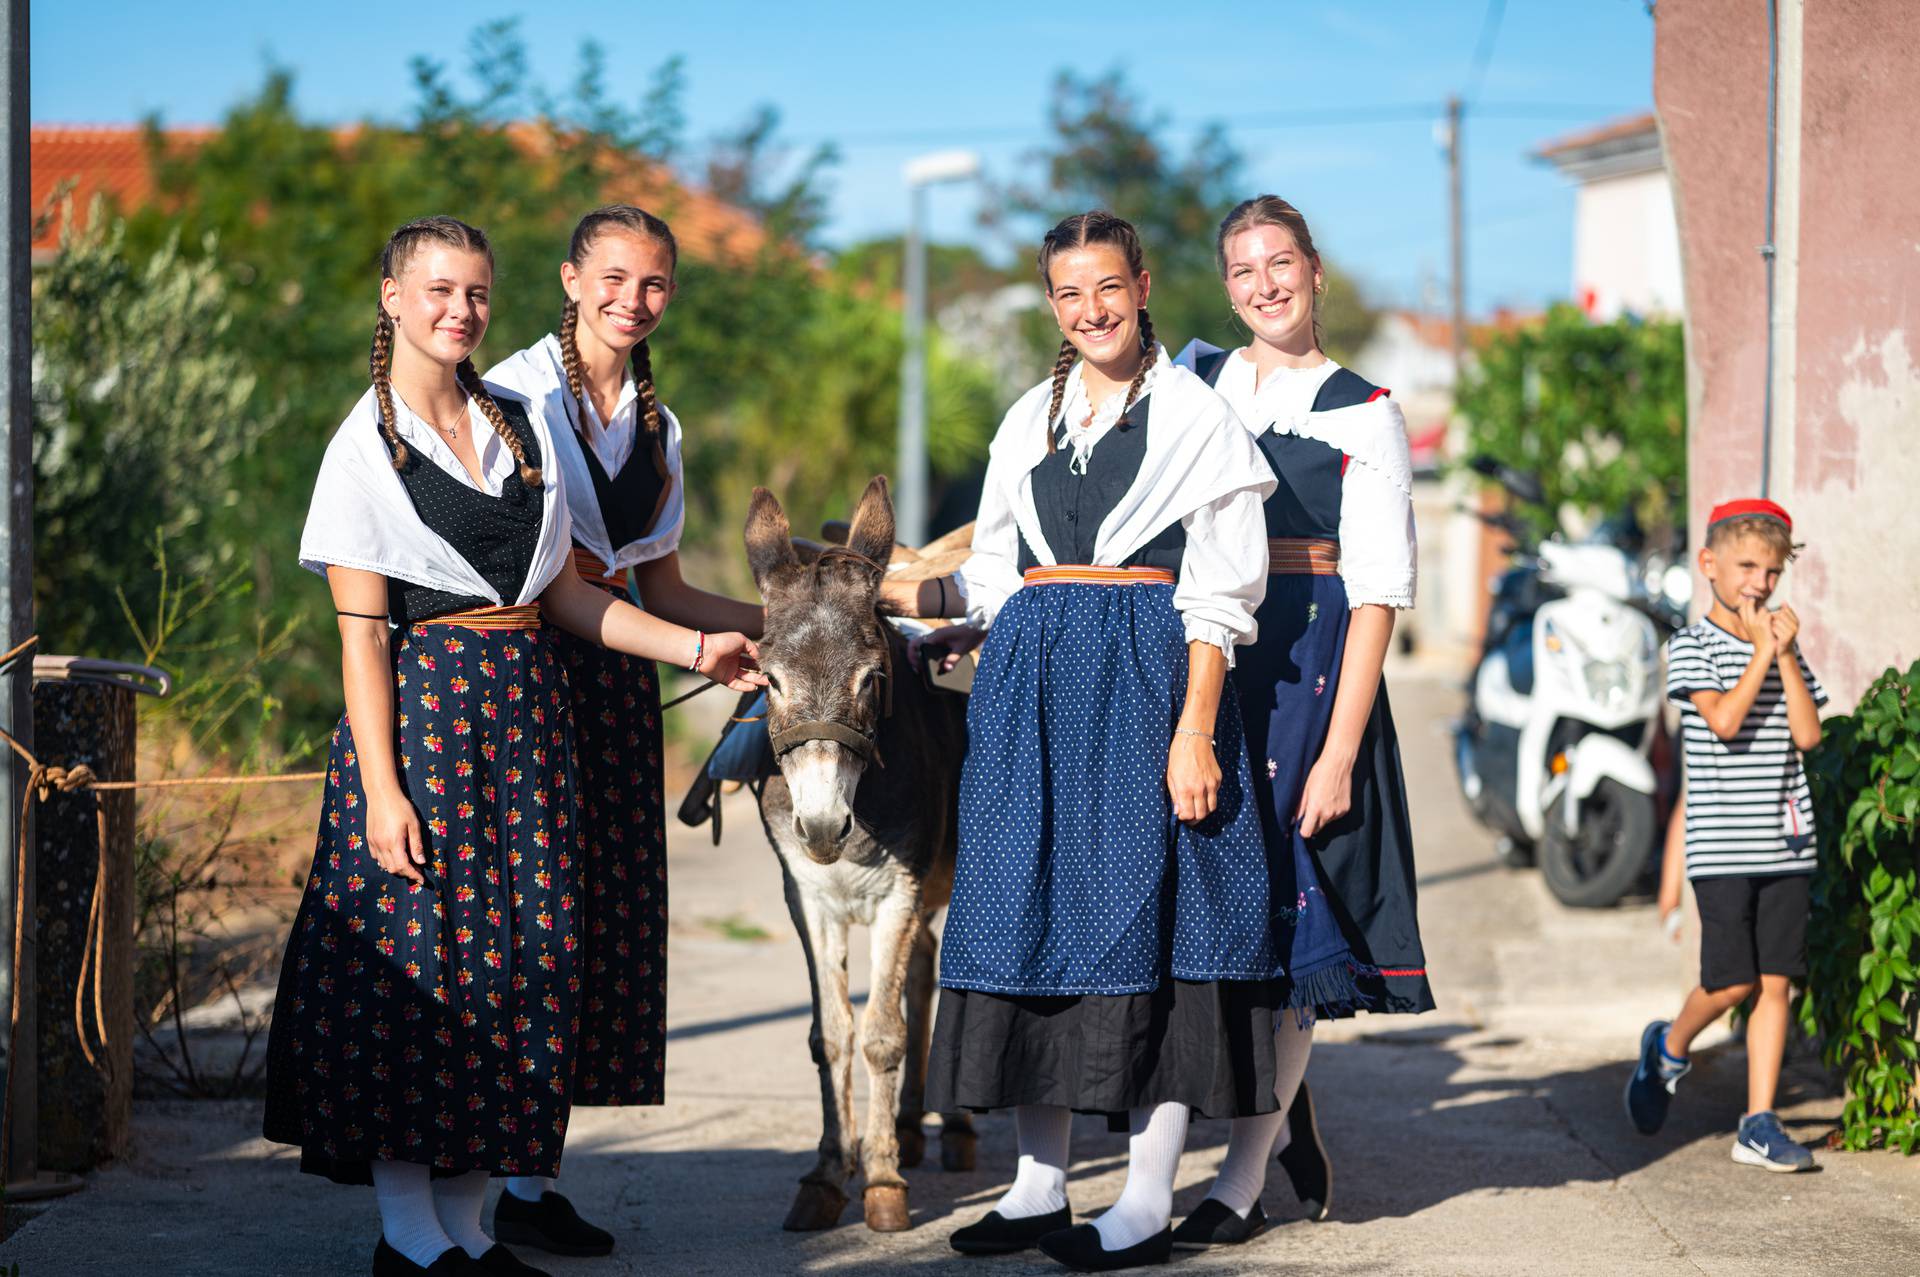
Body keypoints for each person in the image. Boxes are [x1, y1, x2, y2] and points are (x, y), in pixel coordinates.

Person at [262, 215, 761, 1277]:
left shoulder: (518, 424)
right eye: (438, 290)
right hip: (427, 723)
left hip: (529, 719)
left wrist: (697, 648)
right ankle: (409, 1239)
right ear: (392, 297)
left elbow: (572, 597)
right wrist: (383, 792)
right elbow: (360, 639)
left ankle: (475, 1231)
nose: (460, 310)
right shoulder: (364, 445)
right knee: (424, 966)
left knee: (526, 966)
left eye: (477, 293)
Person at [884, 209, 1303, 1272]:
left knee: (1154, 927)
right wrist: (926, 611)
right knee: (1024, 914)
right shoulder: (1031, 415)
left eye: (1107, 287)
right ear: (1052, 304)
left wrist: (1195, 730)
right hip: (1029, 690)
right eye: (1069, 294)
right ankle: (1038, 1189)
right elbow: (992, 567)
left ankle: (1148, 1198)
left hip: (1145, 683)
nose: (1090, 311)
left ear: (1145, 284)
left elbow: (1221, 595)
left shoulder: (1198, 419)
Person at [484, 205, 763, 1257]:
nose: (630, 299)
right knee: (525, 921)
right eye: (612, 276)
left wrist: (794, 622)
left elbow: (669, 584)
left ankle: (530, 1174)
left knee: (586, 927)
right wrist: (694, 651)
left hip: (615, 679)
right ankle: (486, 1175)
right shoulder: (511, 395)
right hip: (529, 663)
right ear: (569, 277)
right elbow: (554, 580)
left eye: (652, 283)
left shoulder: (658, 425)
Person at [1165, 195, 1433, 1249]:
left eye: (1281, 262)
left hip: (1309, 676)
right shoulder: (1195, 381)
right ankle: (1268, 1122)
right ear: (1225, 283)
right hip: (1206, 662)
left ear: (1316, 272)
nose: (1265, 283)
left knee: (1287, 925)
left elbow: (1378, 598)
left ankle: (1240, 1176)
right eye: (1243, 268)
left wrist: (1340, 752)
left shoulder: (1366, 410)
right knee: (1203, 917)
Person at [1625, 498, 1825, 1172]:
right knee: (1732, 980)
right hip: (1723, 845)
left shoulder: (1782, 645)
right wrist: (1761, 654)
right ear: (1709, 564)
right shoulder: (1690, 646)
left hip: (1787, 841)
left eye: (1771, 570)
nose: (1759, 583)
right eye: (1746, 565)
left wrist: (1785, 654)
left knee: (1776, 983)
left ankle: (1759, 1121)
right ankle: (1670, 1047)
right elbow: (1727, 722)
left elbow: (1808, 733)